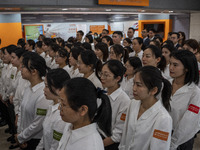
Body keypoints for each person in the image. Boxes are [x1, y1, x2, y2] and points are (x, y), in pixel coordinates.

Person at [119, 66, 172, 150]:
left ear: (153, 90)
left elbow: (159, 147)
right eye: (134, 83)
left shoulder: (163, 118)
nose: (134, 88)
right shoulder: (133, 103)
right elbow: (125, 136)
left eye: (139, 85)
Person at [57, 77, 112, 150]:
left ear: (83, 110)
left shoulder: (91, 146)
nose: (59, 108)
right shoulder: (70, 125)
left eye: (63, 104)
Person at [16, 52, 53, 150]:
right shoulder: (28, 88)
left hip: (34, 139)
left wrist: (21, 137)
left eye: (23, 66)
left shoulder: (43, 94)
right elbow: (21, 110)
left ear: (34, 71)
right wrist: (19, 132)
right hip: (24, 136)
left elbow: (37, 124)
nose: (21, 69)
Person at [169, 50, 200, 150]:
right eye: (170, 63)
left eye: (175, 65)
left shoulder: (195, 92)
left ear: (186, 68)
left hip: (182, 140)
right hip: (162, 133)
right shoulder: (166, 84)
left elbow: (188, 122)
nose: (170, 68)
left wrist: (173, 143)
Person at [36, 68, 70, 150]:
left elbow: (55, 146)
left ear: (60, 89)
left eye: (47, 86)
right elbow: (45, 136)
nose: (44, 89)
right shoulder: (52, 105)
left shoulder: (61, 116)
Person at [100, 60, 130, 149]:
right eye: (101, 74)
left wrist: (99, 145)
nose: (102, 77)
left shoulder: (124, 100)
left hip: (110, 143)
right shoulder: (104, 94)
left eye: (106, 75)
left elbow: (118, 133)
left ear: (117, 78)